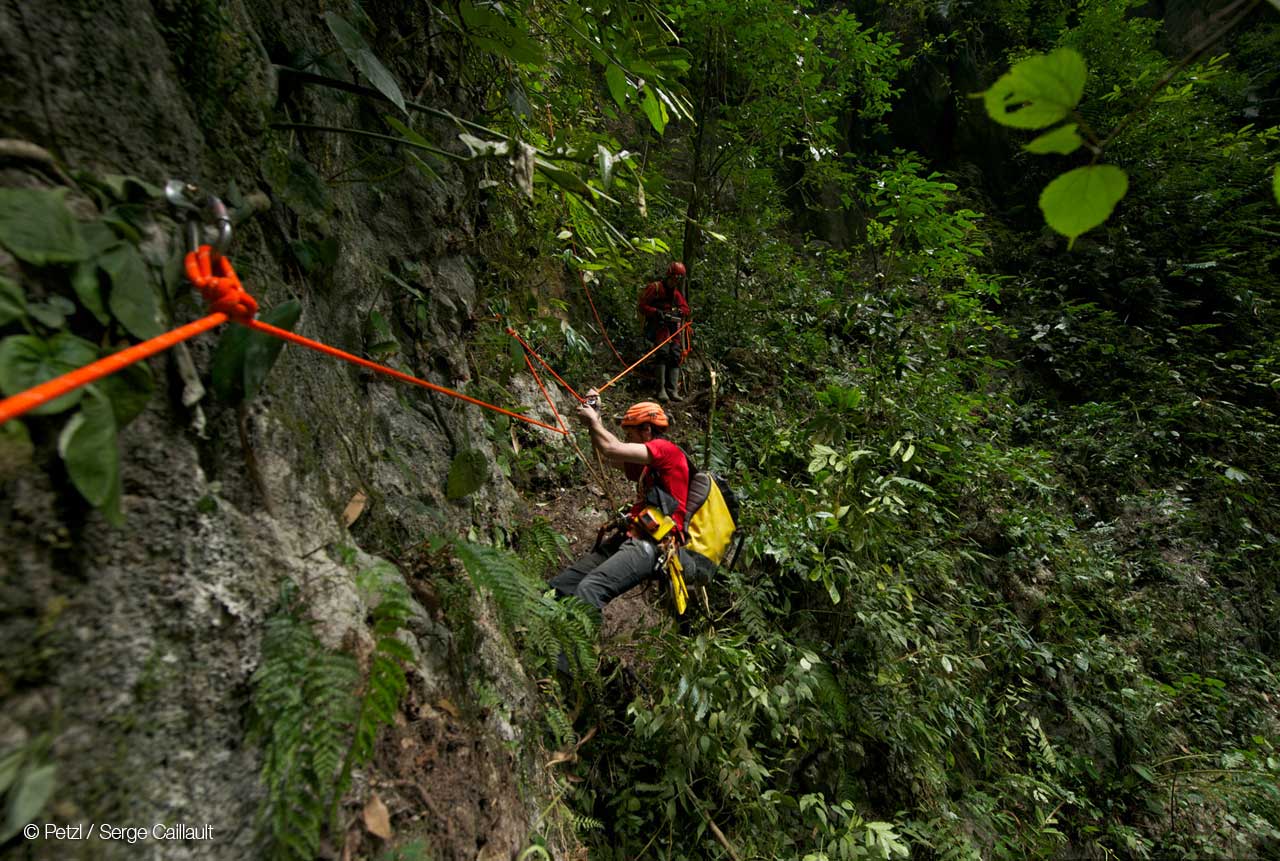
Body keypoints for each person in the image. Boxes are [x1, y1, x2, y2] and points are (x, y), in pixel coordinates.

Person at [550, 398, 692, 613]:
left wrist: (595, 422)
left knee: (590, 590)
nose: (628, 440)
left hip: (652, 545)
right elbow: (606, 455)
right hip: (632, 536)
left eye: (630, 435)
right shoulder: (648, 465)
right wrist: (593, 421)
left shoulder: (665, 450)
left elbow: (612, 448)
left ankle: (570, 646)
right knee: (563, 585)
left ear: (646, 429)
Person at [638, 261, 691, 402]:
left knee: (675, 355)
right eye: (674, 278)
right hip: (658, 327)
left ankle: (672, 390)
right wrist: (656, 312)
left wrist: (679, 312)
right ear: (669, 275)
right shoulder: (655, 288)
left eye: (678, 279)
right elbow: (642, 306)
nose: (675, 282)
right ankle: (660, 389)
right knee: (662, 353)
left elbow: (686, 308)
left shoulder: (676, 294)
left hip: (673, 329)